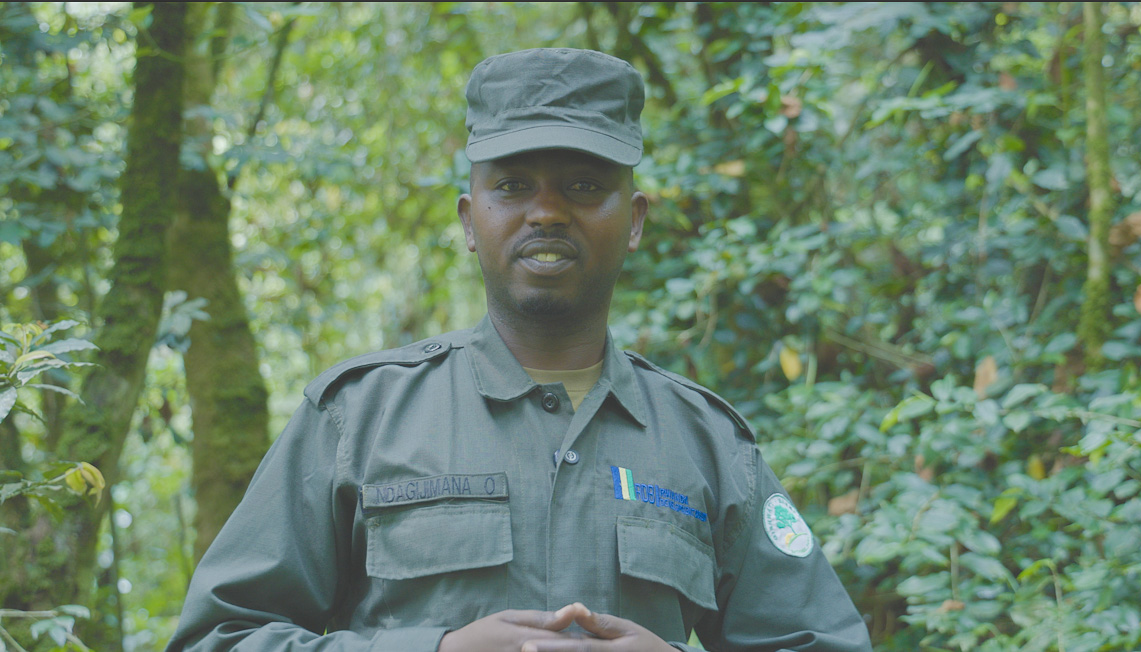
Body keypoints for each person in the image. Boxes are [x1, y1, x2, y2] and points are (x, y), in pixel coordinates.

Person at [166, 48, 872, 652]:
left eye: (584, 186)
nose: (546, 212)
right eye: (512, 185)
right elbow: (218, 637)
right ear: (471, 220)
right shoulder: (357, 419)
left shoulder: (708, 446)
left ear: (632, 221)